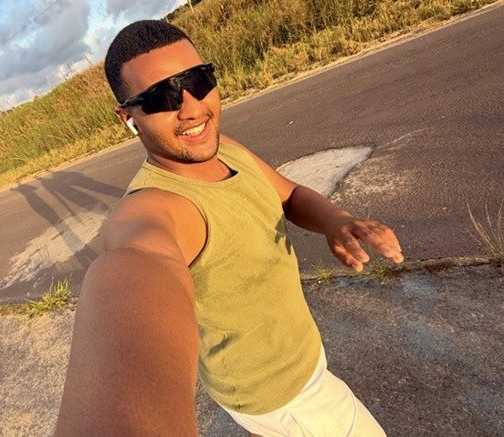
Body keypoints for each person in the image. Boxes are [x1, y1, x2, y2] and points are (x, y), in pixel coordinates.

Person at [55, 20, 403, 436]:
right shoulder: (157, 205)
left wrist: (335, 220)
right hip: (285, 394)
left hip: (278, 368)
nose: (192, 108)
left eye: (197, 81)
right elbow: (137, 267)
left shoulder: (226, 150)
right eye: (162, 96)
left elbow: (288, 194)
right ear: (128, 117)